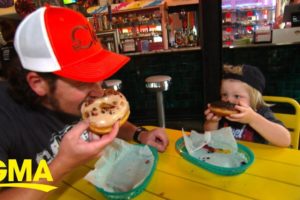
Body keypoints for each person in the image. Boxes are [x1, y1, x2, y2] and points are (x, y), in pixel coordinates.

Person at [0, 6, 168, 199]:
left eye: (97, 75)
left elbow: (103, 121)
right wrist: (63, 164)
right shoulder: (5, 117)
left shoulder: (77, 99)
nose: (98, 92)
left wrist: (139, 134)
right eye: (82, 81)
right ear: (38, 83)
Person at [204, 64, 290, 147]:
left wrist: (253, 119)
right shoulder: (223, 114)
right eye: (224, 94)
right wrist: (212, 122)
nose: (228, 100)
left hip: (257, 157)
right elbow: (209, 138)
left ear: (253, 98)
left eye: (237, 96)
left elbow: (285, 140)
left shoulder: (261, 111)